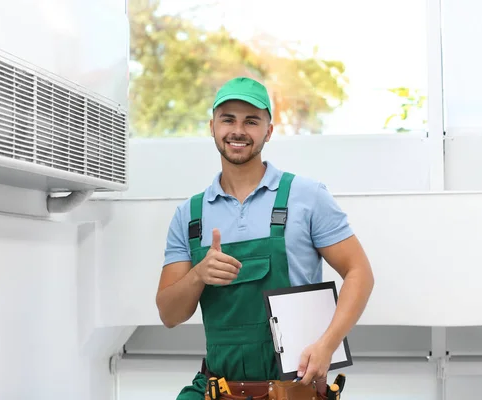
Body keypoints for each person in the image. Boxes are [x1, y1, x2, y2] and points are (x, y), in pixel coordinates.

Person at [155, 77, 374, 399]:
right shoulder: (190, 215)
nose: (238, 130)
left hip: (294, 390)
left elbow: (360, 273)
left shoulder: (306, 196)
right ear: (212, 127)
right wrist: (198, 275)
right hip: (218, 389)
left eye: (251, 121)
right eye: (227, 119)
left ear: (268, 131)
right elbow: (169, 315)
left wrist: (328, 344)